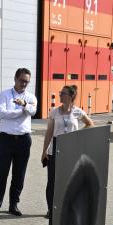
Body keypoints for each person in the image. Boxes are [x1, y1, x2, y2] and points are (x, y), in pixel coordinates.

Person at [0, 68, 38, 217]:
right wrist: (21, 112)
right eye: (22, 80)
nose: (24, 84)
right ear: (15, 79)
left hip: (23, 139)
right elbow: (2, 113)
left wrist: (25, 105)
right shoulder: (4, 94)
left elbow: (33, 112)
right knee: (1, 174)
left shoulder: (30, 97)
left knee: (19, 175)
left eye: (27, 82)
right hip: (6, 139)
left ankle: (14, 205)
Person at [41, 84, 93, 215]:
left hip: (71, 151)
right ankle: (50, 209)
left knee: (70, 180)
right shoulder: (54, 112)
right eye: (60, 93)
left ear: (71, 96)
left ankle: (68, 207)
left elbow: (90, 124)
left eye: (63, 93)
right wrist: (44, 151)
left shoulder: (77, 112)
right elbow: (49, 132)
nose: (60, 95)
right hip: (55, 150)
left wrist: (77, 135)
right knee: (52, 181)